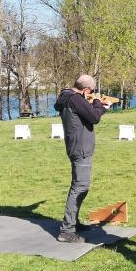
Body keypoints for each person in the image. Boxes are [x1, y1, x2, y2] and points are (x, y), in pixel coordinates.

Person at [54, 74, 111, 243]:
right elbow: (94, 117)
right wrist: (101, 105)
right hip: (81, 148)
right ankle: (67, 230)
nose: (91, 94)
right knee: (80, 187)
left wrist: (96, 104)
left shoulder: (68, 97)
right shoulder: (75, 99)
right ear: (85, 89)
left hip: (77, 146)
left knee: (79, 186)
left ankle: (73, 223)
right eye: (90, 91)